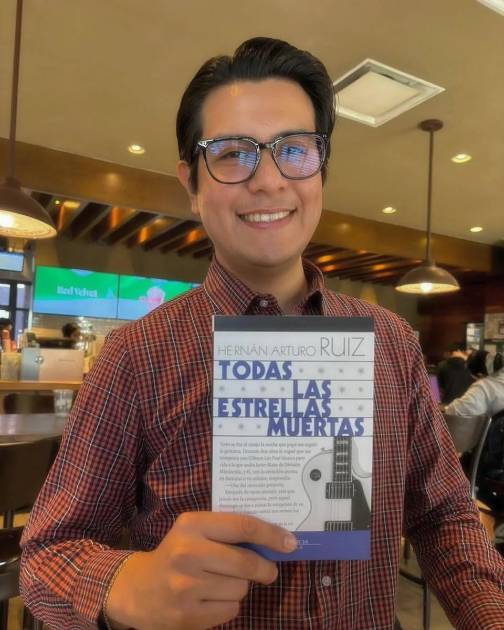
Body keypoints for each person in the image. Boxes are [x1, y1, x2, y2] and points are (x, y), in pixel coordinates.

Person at [20, 37, 504, 630]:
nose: (269, 181)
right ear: (192, 184)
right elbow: (46, 555)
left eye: (294, 150)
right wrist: (126, 586)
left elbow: (446, 515)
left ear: (321, 169)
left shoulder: (391, 343)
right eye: (231, 153)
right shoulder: (135, 356)